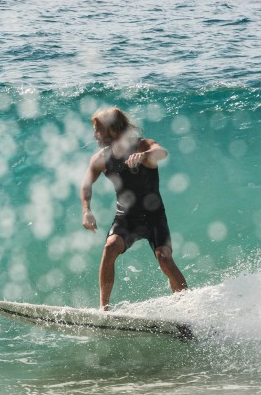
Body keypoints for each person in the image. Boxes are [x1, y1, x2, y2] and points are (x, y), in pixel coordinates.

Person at [79, 107, 188, 310]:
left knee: (164, 258)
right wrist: (87, 210)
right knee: (110, 248)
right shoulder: (101, 158)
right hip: (126, 217)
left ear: (112, 129)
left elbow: (161, 152)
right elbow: (86, 184)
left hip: (154, 217)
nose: (94, 135)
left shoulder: (143, 146)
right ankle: (104, 309)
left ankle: (186, 306)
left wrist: (144, 155)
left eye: (98, 129)